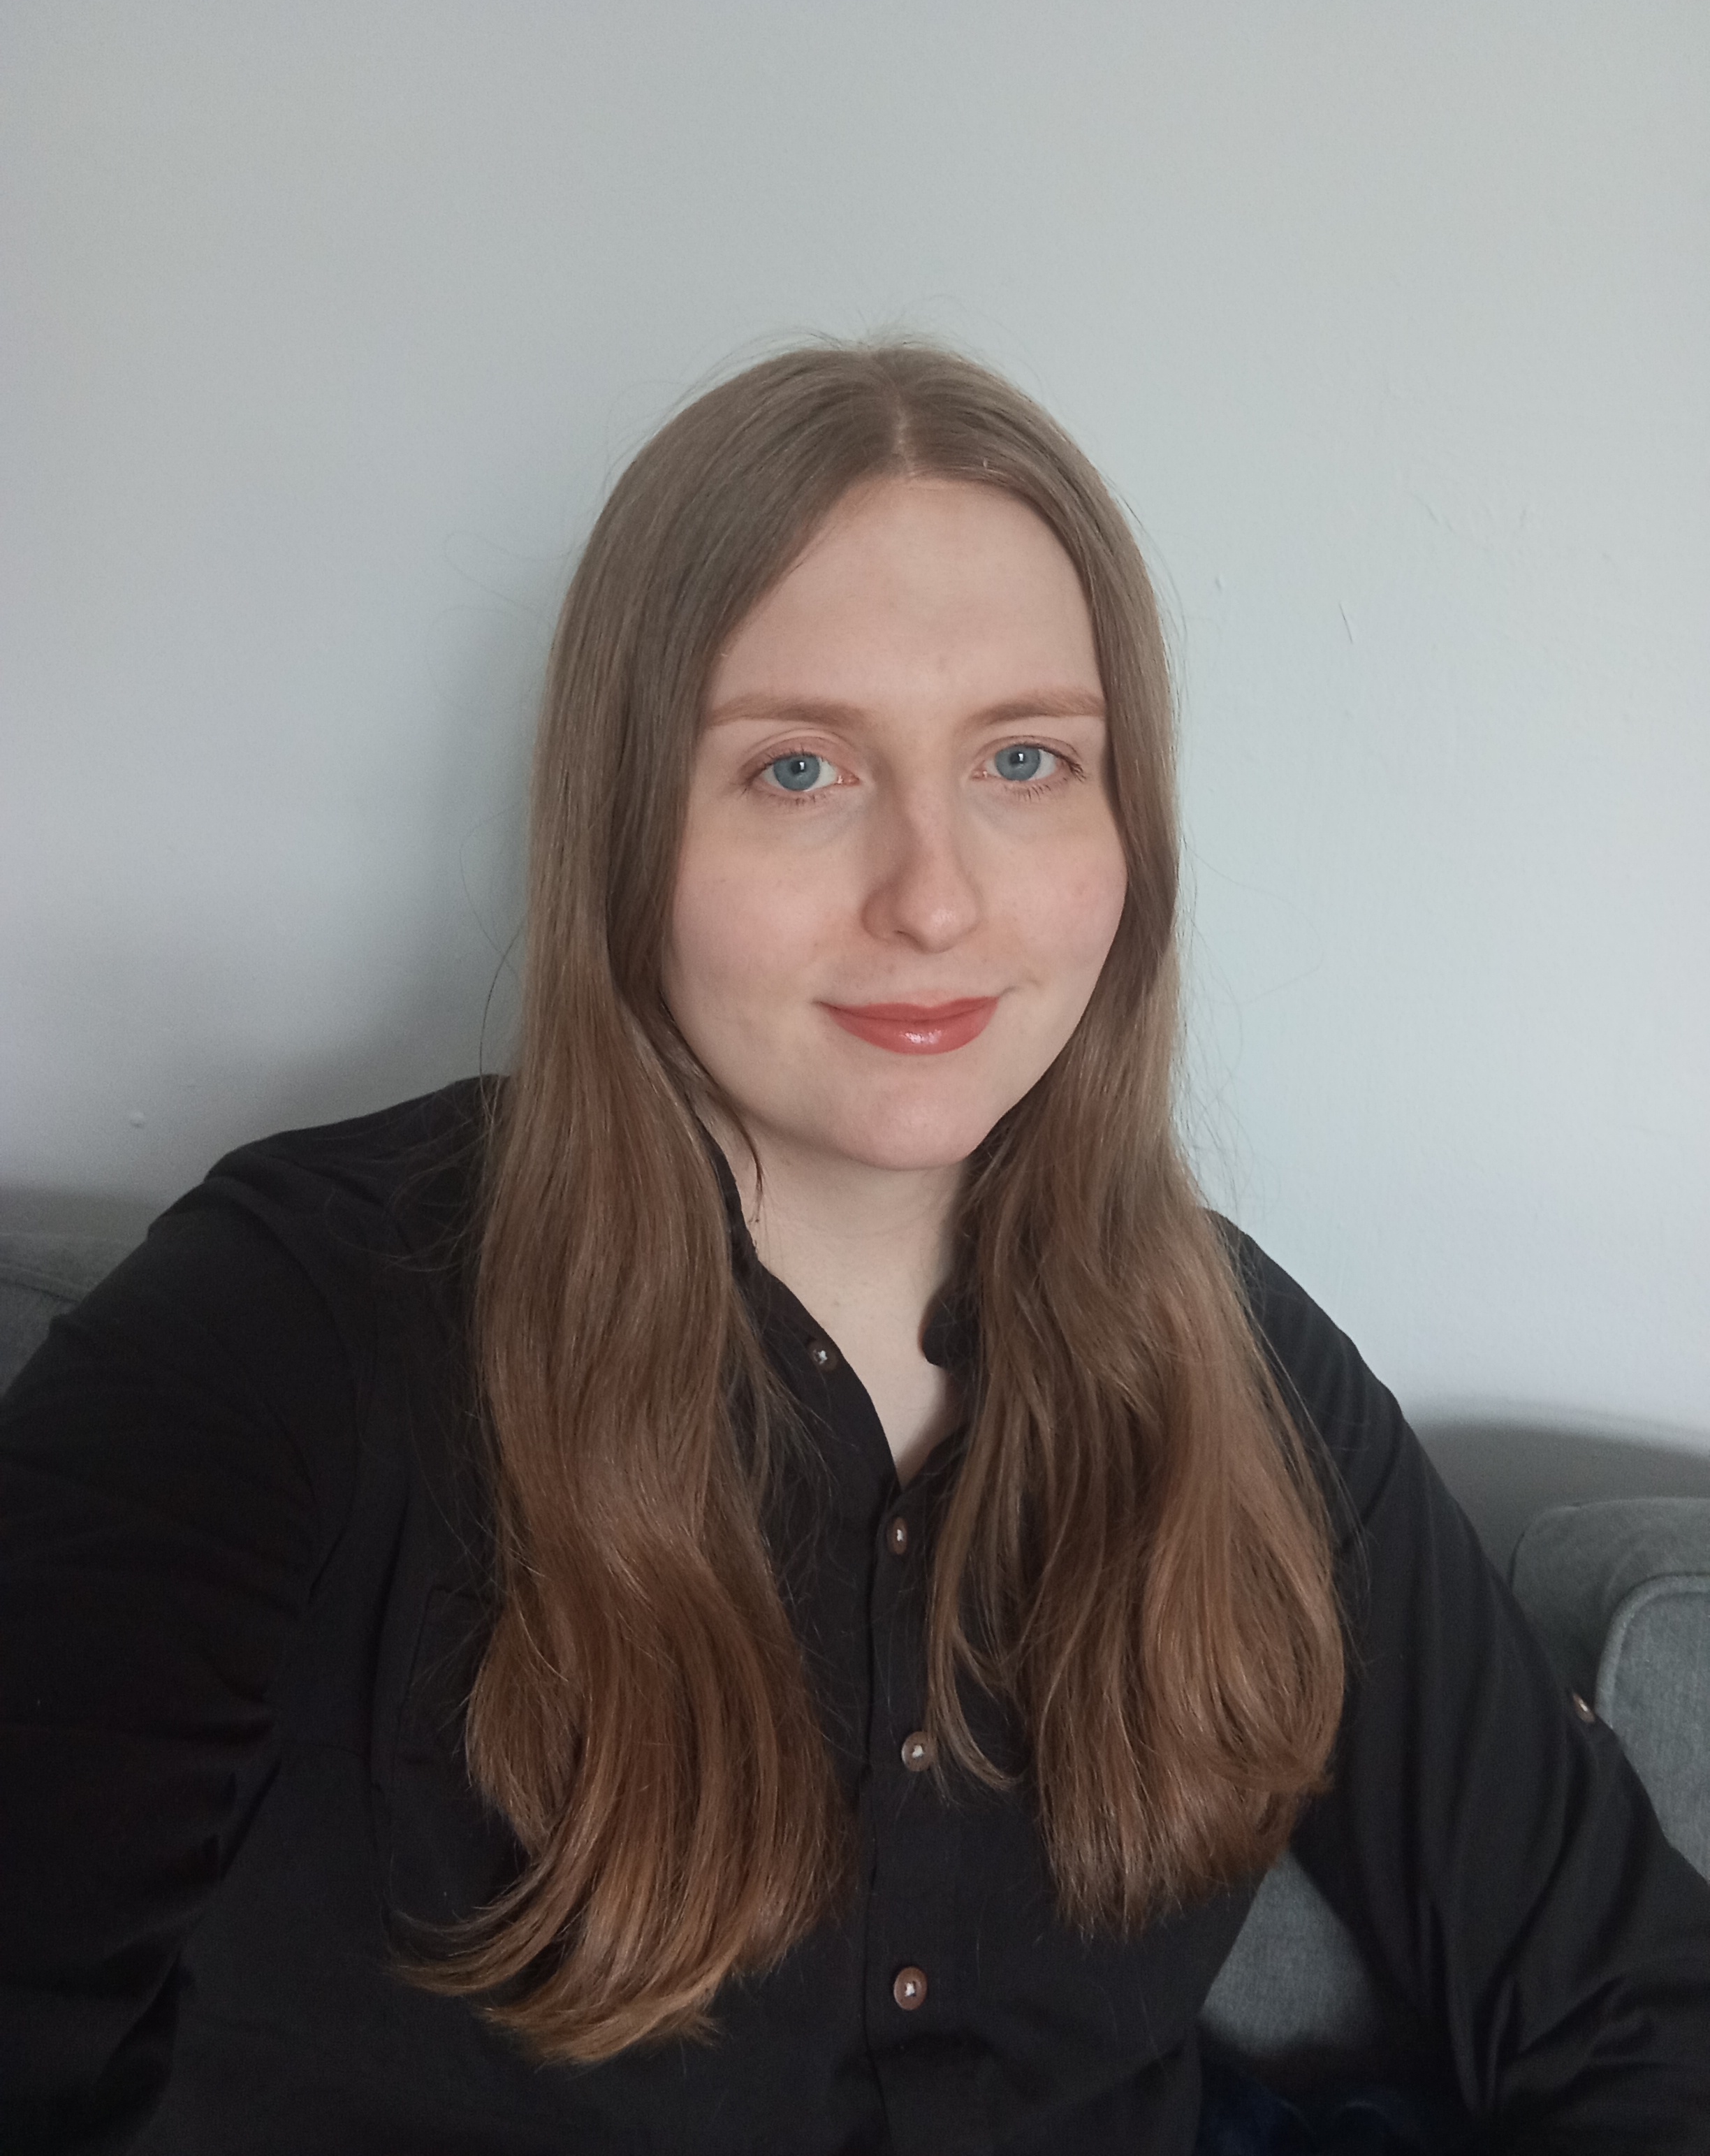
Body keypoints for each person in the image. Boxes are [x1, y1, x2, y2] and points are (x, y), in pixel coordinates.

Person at [2, 340, 1707, 2156]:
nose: (937, 899)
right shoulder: (279, 1335)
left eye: (1027, 759)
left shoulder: (1238, 1363)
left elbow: (1636, 2014)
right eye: (799, 768)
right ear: (623, 823)